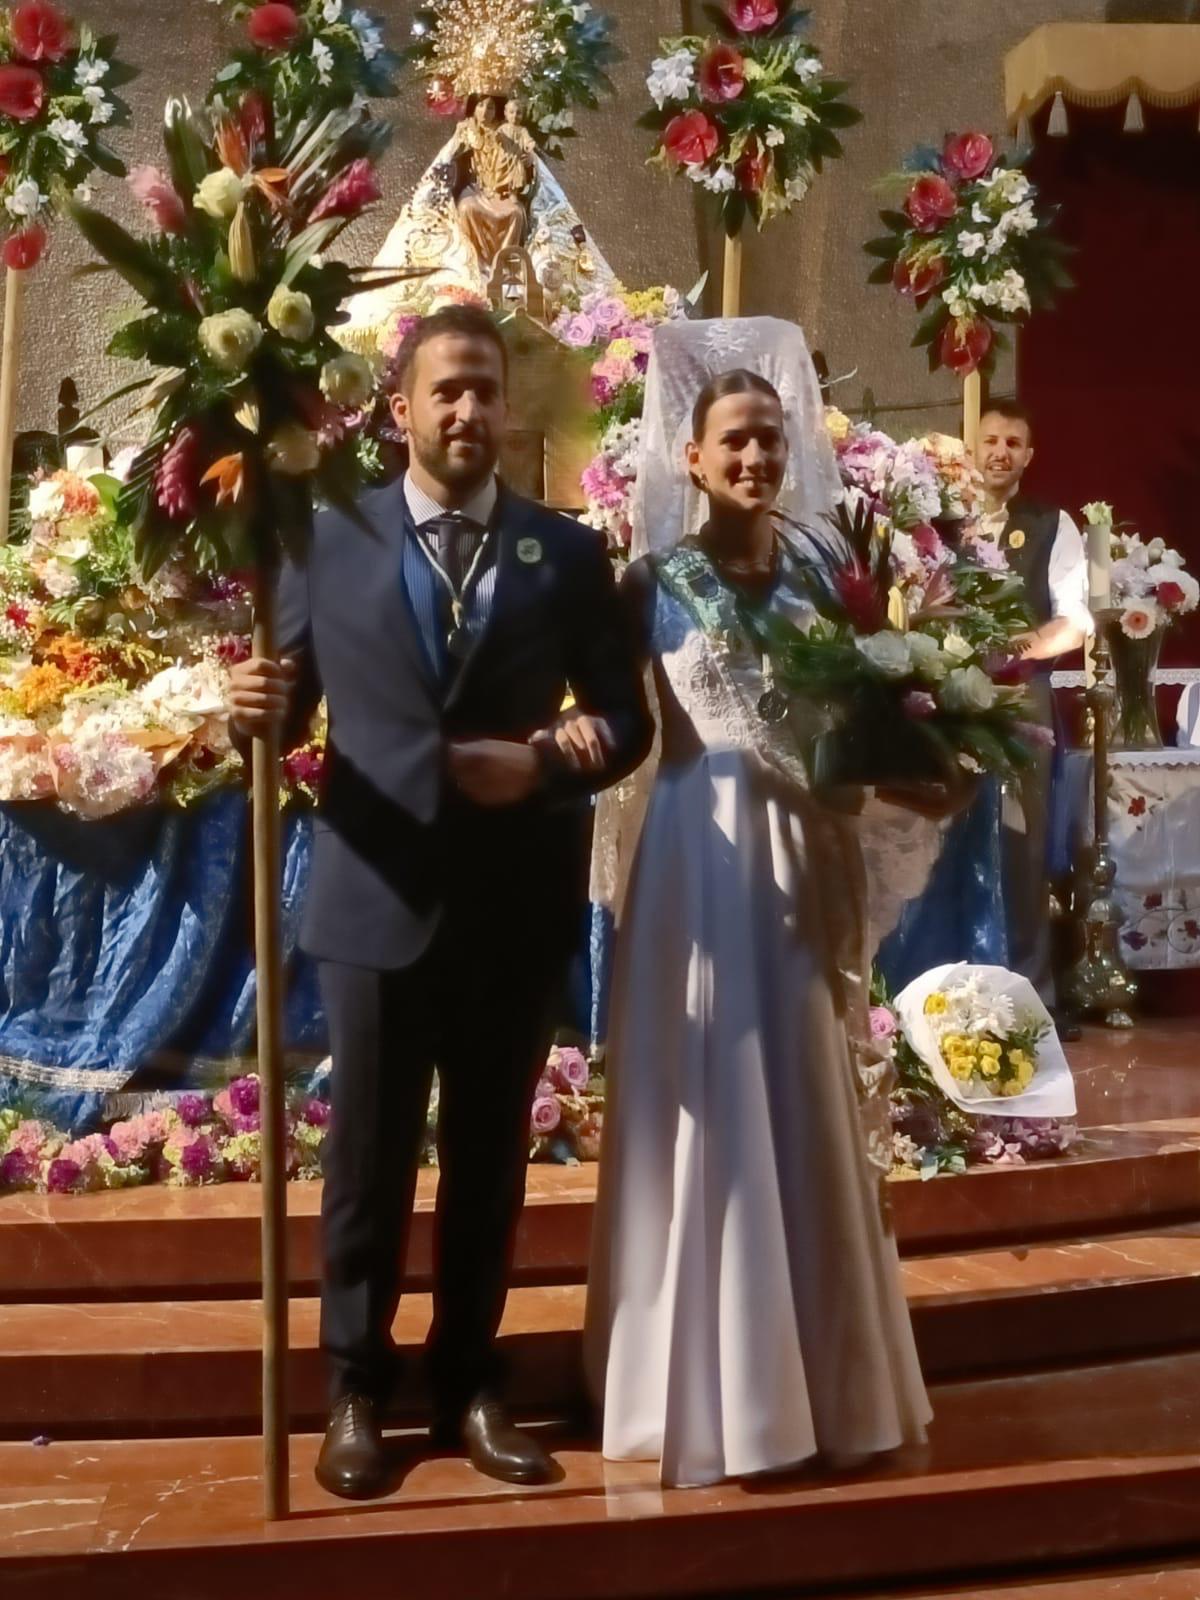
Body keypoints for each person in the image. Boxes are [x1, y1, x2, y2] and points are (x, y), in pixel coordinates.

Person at [228, 305, 651, 1500]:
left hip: (513, 900)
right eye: (444, 392)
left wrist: (551, 759)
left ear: (508, 409)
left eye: (484, 390)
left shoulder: (563, 554)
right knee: (365, 1159)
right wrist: (251, 707)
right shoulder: (327, 538)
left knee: (486, 1160)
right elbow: (287, 710)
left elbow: (626, 719)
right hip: (372, 899)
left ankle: (470, 1378)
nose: (466, 411)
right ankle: (356, 1387)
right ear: (401, 409)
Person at [584, 319, 940, 1489]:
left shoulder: (826, 581)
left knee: (795, 1085)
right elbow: (615, 721)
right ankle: (704, 1382)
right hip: (695, 858)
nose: (755, 460)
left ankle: (823, 1383)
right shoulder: (649, 582)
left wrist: (935, 750)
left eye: (771, 442)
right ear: (687, 456)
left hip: (798, 860)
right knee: (708, 1098)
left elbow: (860, 730)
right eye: (734, 441)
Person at [974, 402, 1092, 1029]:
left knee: (1019, 844)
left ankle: (1032, 996)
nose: (1000, 451)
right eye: (990, 439)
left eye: (1013, 442)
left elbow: (1075, 617)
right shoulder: (944, 518)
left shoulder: (1052, 525)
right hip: (942, 694)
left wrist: (1016, 651)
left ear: (1028, 456)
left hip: (1019, 698)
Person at [450, 95, 536, 290]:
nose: (484, 111)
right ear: (473, 107)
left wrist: (528, 161)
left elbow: (525, 153)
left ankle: (503, 270)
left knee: (515, 213)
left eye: (489, 107)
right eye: (480, 105)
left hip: (502, 191)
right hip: (475, 188)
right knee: (466, 208)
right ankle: (474, 266)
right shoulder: (465, 129)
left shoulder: (506, 131)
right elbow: (450, 156)